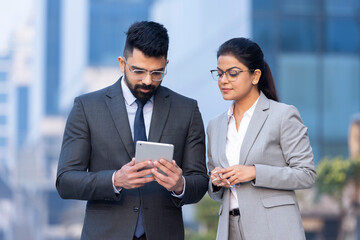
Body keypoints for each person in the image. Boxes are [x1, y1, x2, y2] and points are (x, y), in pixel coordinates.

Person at [56, 21, 208, 240]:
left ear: (166, 64)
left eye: (157, 73)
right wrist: (116, 179)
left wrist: (180, 184)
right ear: (122, 63)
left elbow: (200, 180)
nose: (147, 81)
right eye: (138, 71)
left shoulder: (186, 109)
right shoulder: (87, 108)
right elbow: (65, 181)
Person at [207, 37, 317, 240]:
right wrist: (215, 181)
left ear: (255, 75)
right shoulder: (215, 125)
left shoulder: (283, 115)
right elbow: (214, 191)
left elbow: (306, 174)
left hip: (274, 228)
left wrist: (254, 172)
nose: (223, 80)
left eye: (232, 73)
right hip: (229, 229)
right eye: (220, 73)